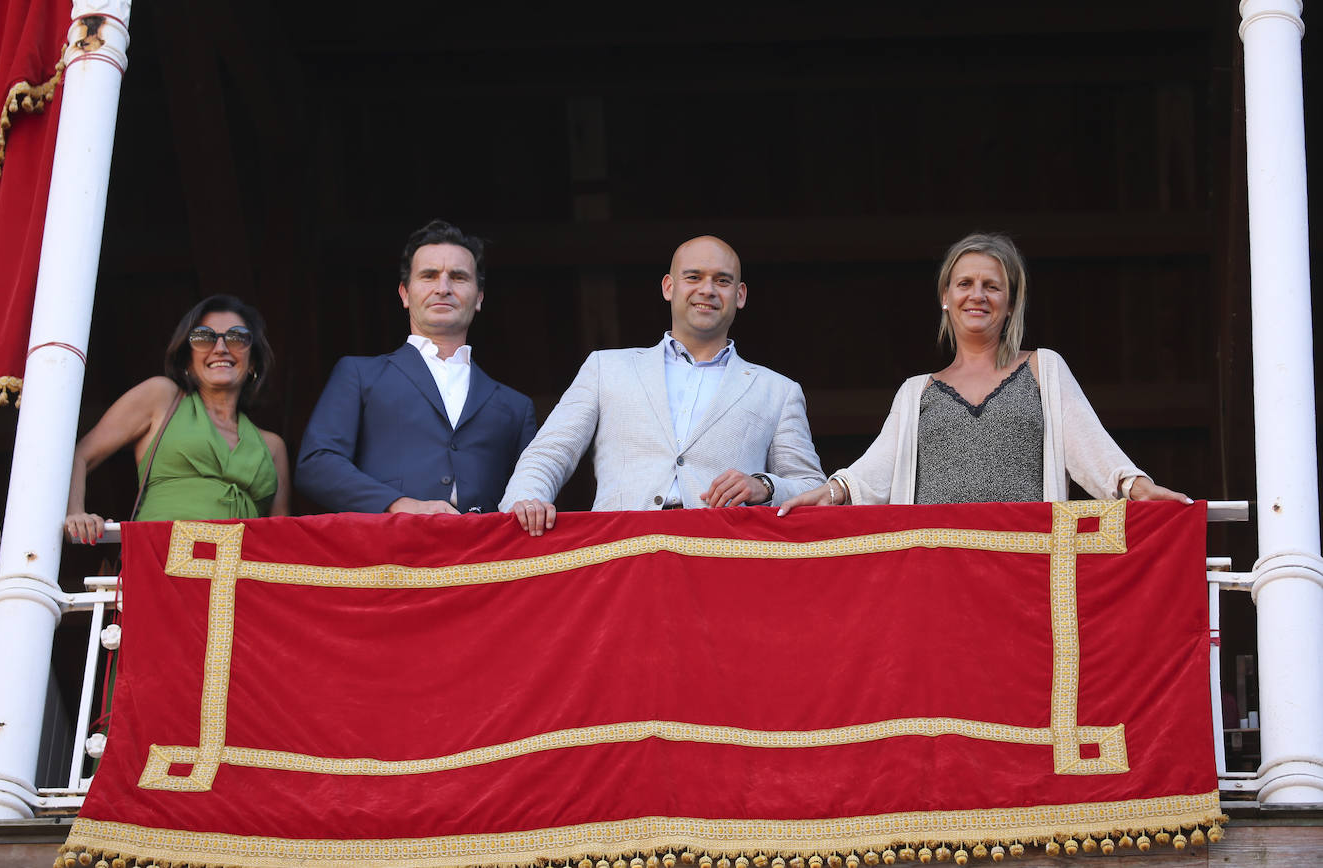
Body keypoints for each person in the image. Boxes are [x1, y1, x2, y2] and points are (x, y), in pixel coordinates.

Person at [779, 232, 1190, 514]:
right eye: (965, 284)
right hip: (938, 570)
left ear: (1010, 302)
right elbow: (871, 474)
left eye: (991, 286)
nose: (977, 295)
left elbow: (1093, 452)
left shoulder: (1044, 369)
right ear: (946, 297)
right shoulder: (915, 393)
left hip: (1024, 567)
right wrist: (831, 492)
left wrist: (1136, 487)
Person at [502, 235, 825, 535]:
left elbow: (812, 486)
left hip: (724, 555)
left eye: (722, 280)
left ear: (739, 295)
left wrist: (765, 485)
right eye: (694, 277)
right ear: (669, 287)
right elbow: (550, 451)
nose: (708, 289)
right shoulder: (606, 367)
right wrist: (525, 500)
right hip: (622, 550)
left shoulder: (778, 390)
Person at [297, 219, 536, 515]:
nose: (443, 288)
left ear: (479, 297)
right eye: (429, 276)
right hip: (388, 553)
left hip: (482, 556)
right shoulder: (359, 375)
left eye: (459, 277)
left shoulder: (516, 407)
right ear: (405, 294)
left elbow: (531, 492)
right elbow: (316, 463)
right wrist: (399, 505)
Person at [64, 294, 290, 543]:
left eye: (237, 337)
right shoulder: (161, 397)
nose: (221, 348)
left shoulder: (273, 447)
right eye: (204, 337)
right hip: (160, 563)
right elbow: (80, 456)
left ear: (252, 362)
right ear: (188, 361)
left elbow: (282, 537)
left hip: (235, 575)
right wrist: (76, 513)